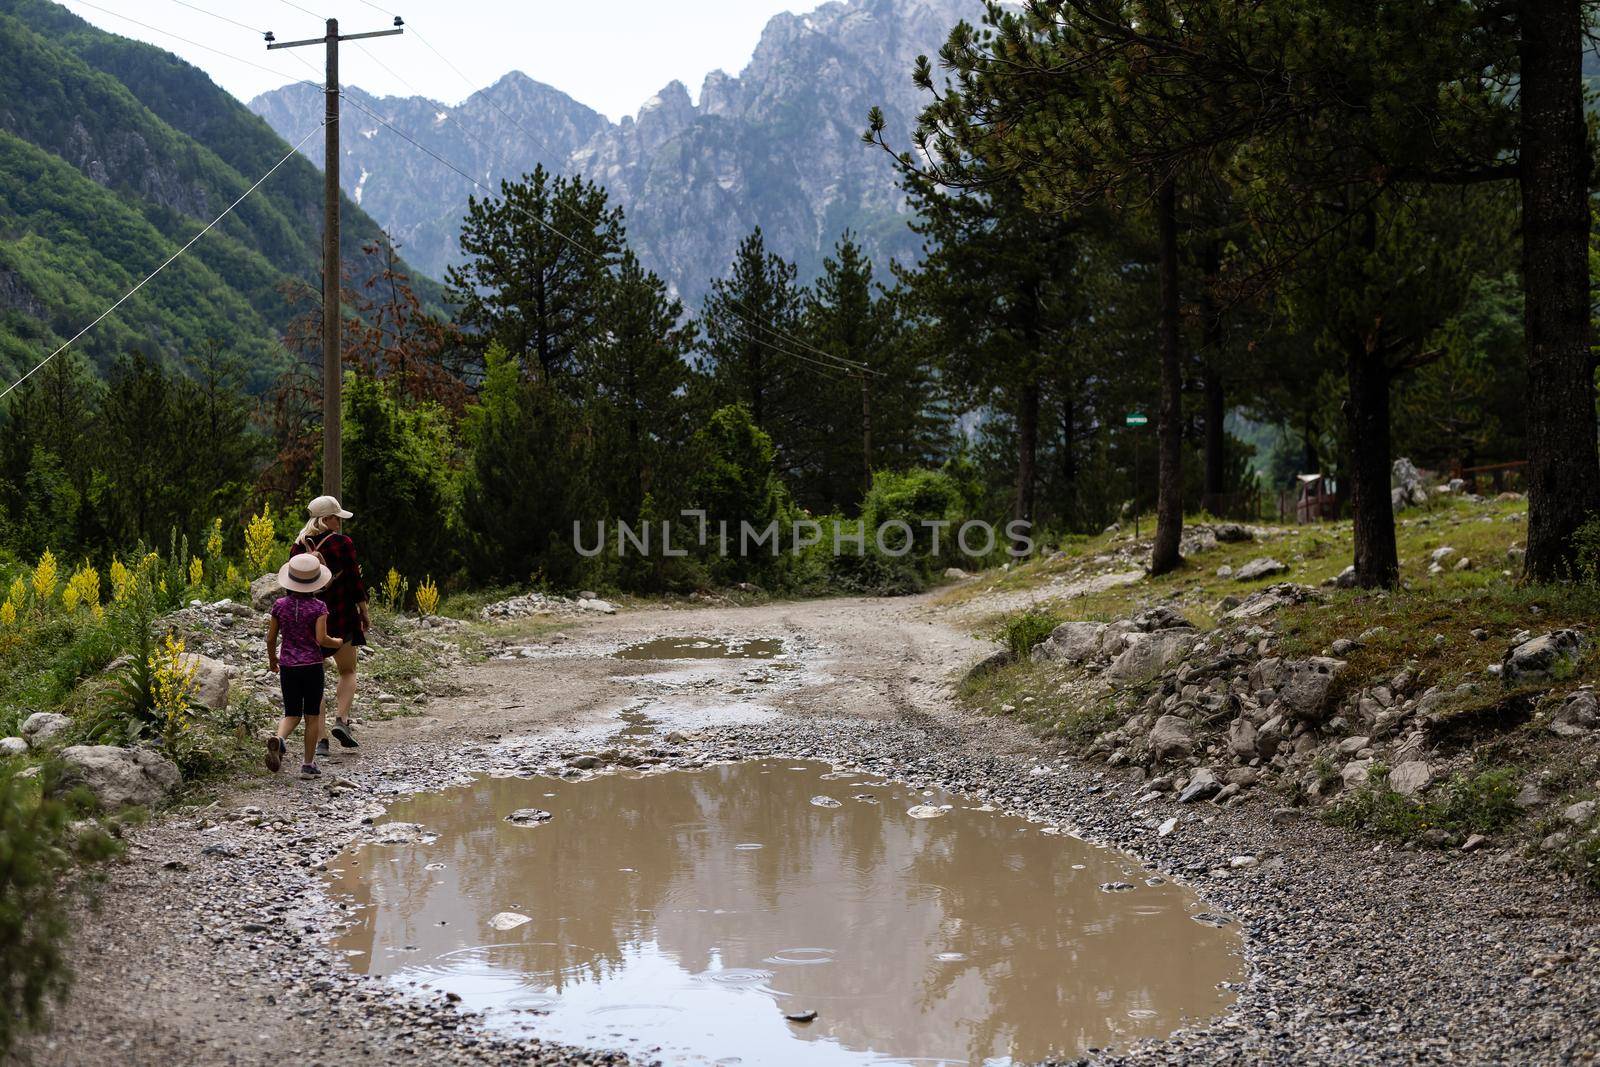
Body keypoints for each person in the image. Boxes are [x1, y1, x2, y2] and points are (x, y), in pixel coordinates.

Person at [289, 495, 370, 755]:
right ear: (326, 519)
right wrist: (364, 610)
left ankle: (321, 739)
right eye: (337, 517)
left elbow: (291, 586)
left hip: (310, 621)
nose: (340, 522)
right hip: (342, 615)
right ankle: (342, 720)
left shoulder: (298, 546)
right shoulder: (343, 544)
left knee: (316, 680)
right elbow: (355, 580)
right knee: (347, 671)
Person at [265, 555, 344, 777]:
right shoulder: (319, 607)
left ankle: (279, 739)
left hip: (288, 666)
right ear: (315, 582)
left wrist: (273, 659)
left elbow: (271, 638)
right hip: (312, 666)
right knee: (311, 716)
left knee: (291, 713)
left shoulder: (279, 606)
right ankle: (308, 765)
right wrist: (337, 642)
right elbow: (321, 638)